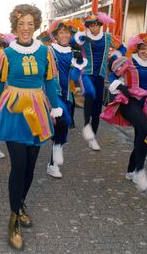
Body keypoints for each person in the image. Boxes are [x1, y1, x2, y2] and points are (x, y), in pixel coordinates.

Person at [0, 4, 62, 250]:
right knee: (18, 165)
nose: (26, 28)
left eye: (30, 24)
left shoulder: (46, 52)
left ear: (36, 25)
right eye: (21, 24)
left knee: (30, 166)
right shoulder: (6, 54)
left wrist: (56, 107)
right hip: (15, 111)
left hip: (37, 110)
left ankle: (20, 203)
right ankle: (13, 219)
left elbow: (49, 82)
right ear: (15, 27)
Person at [101, 33, 147, 191]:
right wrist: (122, 86)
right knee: (145, 130)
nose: (146, 52)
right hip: (129, 100)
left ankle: (131, 170)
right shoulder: (127, 61)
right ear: (137, 48)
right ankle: (139, 171)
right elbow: (111, 75)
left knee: (141, 135)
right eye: (143, 48)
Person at [75, 13, 126, 150]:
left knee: (97, 107)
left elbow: (123, 48)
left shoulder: (108, 37)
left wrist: (112, 59)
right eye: (91, 25)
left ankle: (93, 138)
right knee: (90, 95)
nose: (94, 27)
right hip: (86, 73)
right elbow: (71, 42)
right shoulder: (83, 37)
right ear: (88, 26)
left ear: (100, 25)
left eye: (96, 24)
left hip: (101, 74)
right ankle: (86, 125)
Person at [46, 19, 87, 178]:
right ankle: (54, 159)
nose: (64, 35)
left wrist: (77, 66)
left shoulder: (74, 52)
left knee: (62, 128)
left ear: (71, 35)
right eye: (60, 32)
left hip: (67, 94)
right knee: (62, 122)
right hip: (53, 93)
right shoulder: (48, 50)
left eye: (66, 32)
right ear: (55, 35)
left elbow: (75, 76)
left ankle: (52, 163)